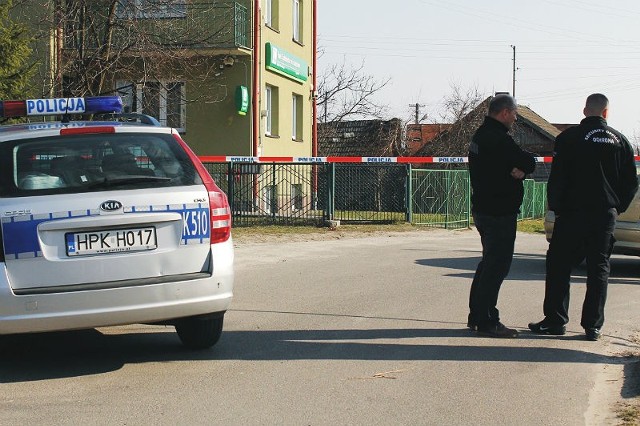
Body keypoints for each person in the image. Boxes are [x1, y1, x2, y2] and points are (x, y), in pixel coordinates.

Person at [529, 93, 638, 341]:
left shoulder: (568, 138)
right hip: (604, 214)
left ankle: (556, 321)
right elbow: (630, 183)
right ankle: (593, 326)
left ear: (584, 111)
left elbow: (557, 178)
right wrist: (616, 206)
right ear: (606, 113)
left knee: (559, 266)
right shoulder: (620, 141)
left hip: (571, 213)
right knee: (598, 268)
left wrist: (557, 208)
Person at [467, 94, 536, 338]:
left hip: (484, 209)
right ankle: (487, 319)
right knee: (496, 266)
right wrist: (521, 169)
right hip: (499, 212)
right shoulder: (497, 138)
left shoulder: (480, 136)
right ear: (505, 112)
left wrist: (520, 170)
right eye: (515, 114)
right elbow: (528, 160)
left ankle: (476, 316)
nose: (515, 119)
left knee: (488, 264)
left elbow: (521, 164)